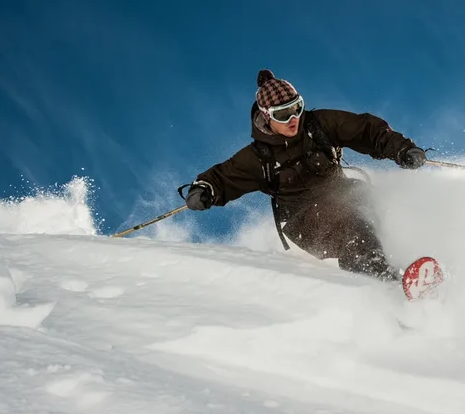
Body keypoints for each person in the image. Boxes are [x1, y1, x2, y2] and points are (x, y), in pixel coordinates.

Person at [183, 69, 428, 281]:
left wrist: (402, 149)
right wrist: (204, 190)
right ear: (267, 117)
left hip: (343, 195)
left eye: (296, 109)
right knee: (351, 226)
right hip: (304, 221)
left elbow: (365, 130)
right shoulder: (259, 157)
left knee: (375, 201)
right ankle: (386, 279)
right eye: (282, 114)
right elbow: (223, 177)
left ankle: (405, 260)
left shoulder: (317, 125)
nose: (293, 120)